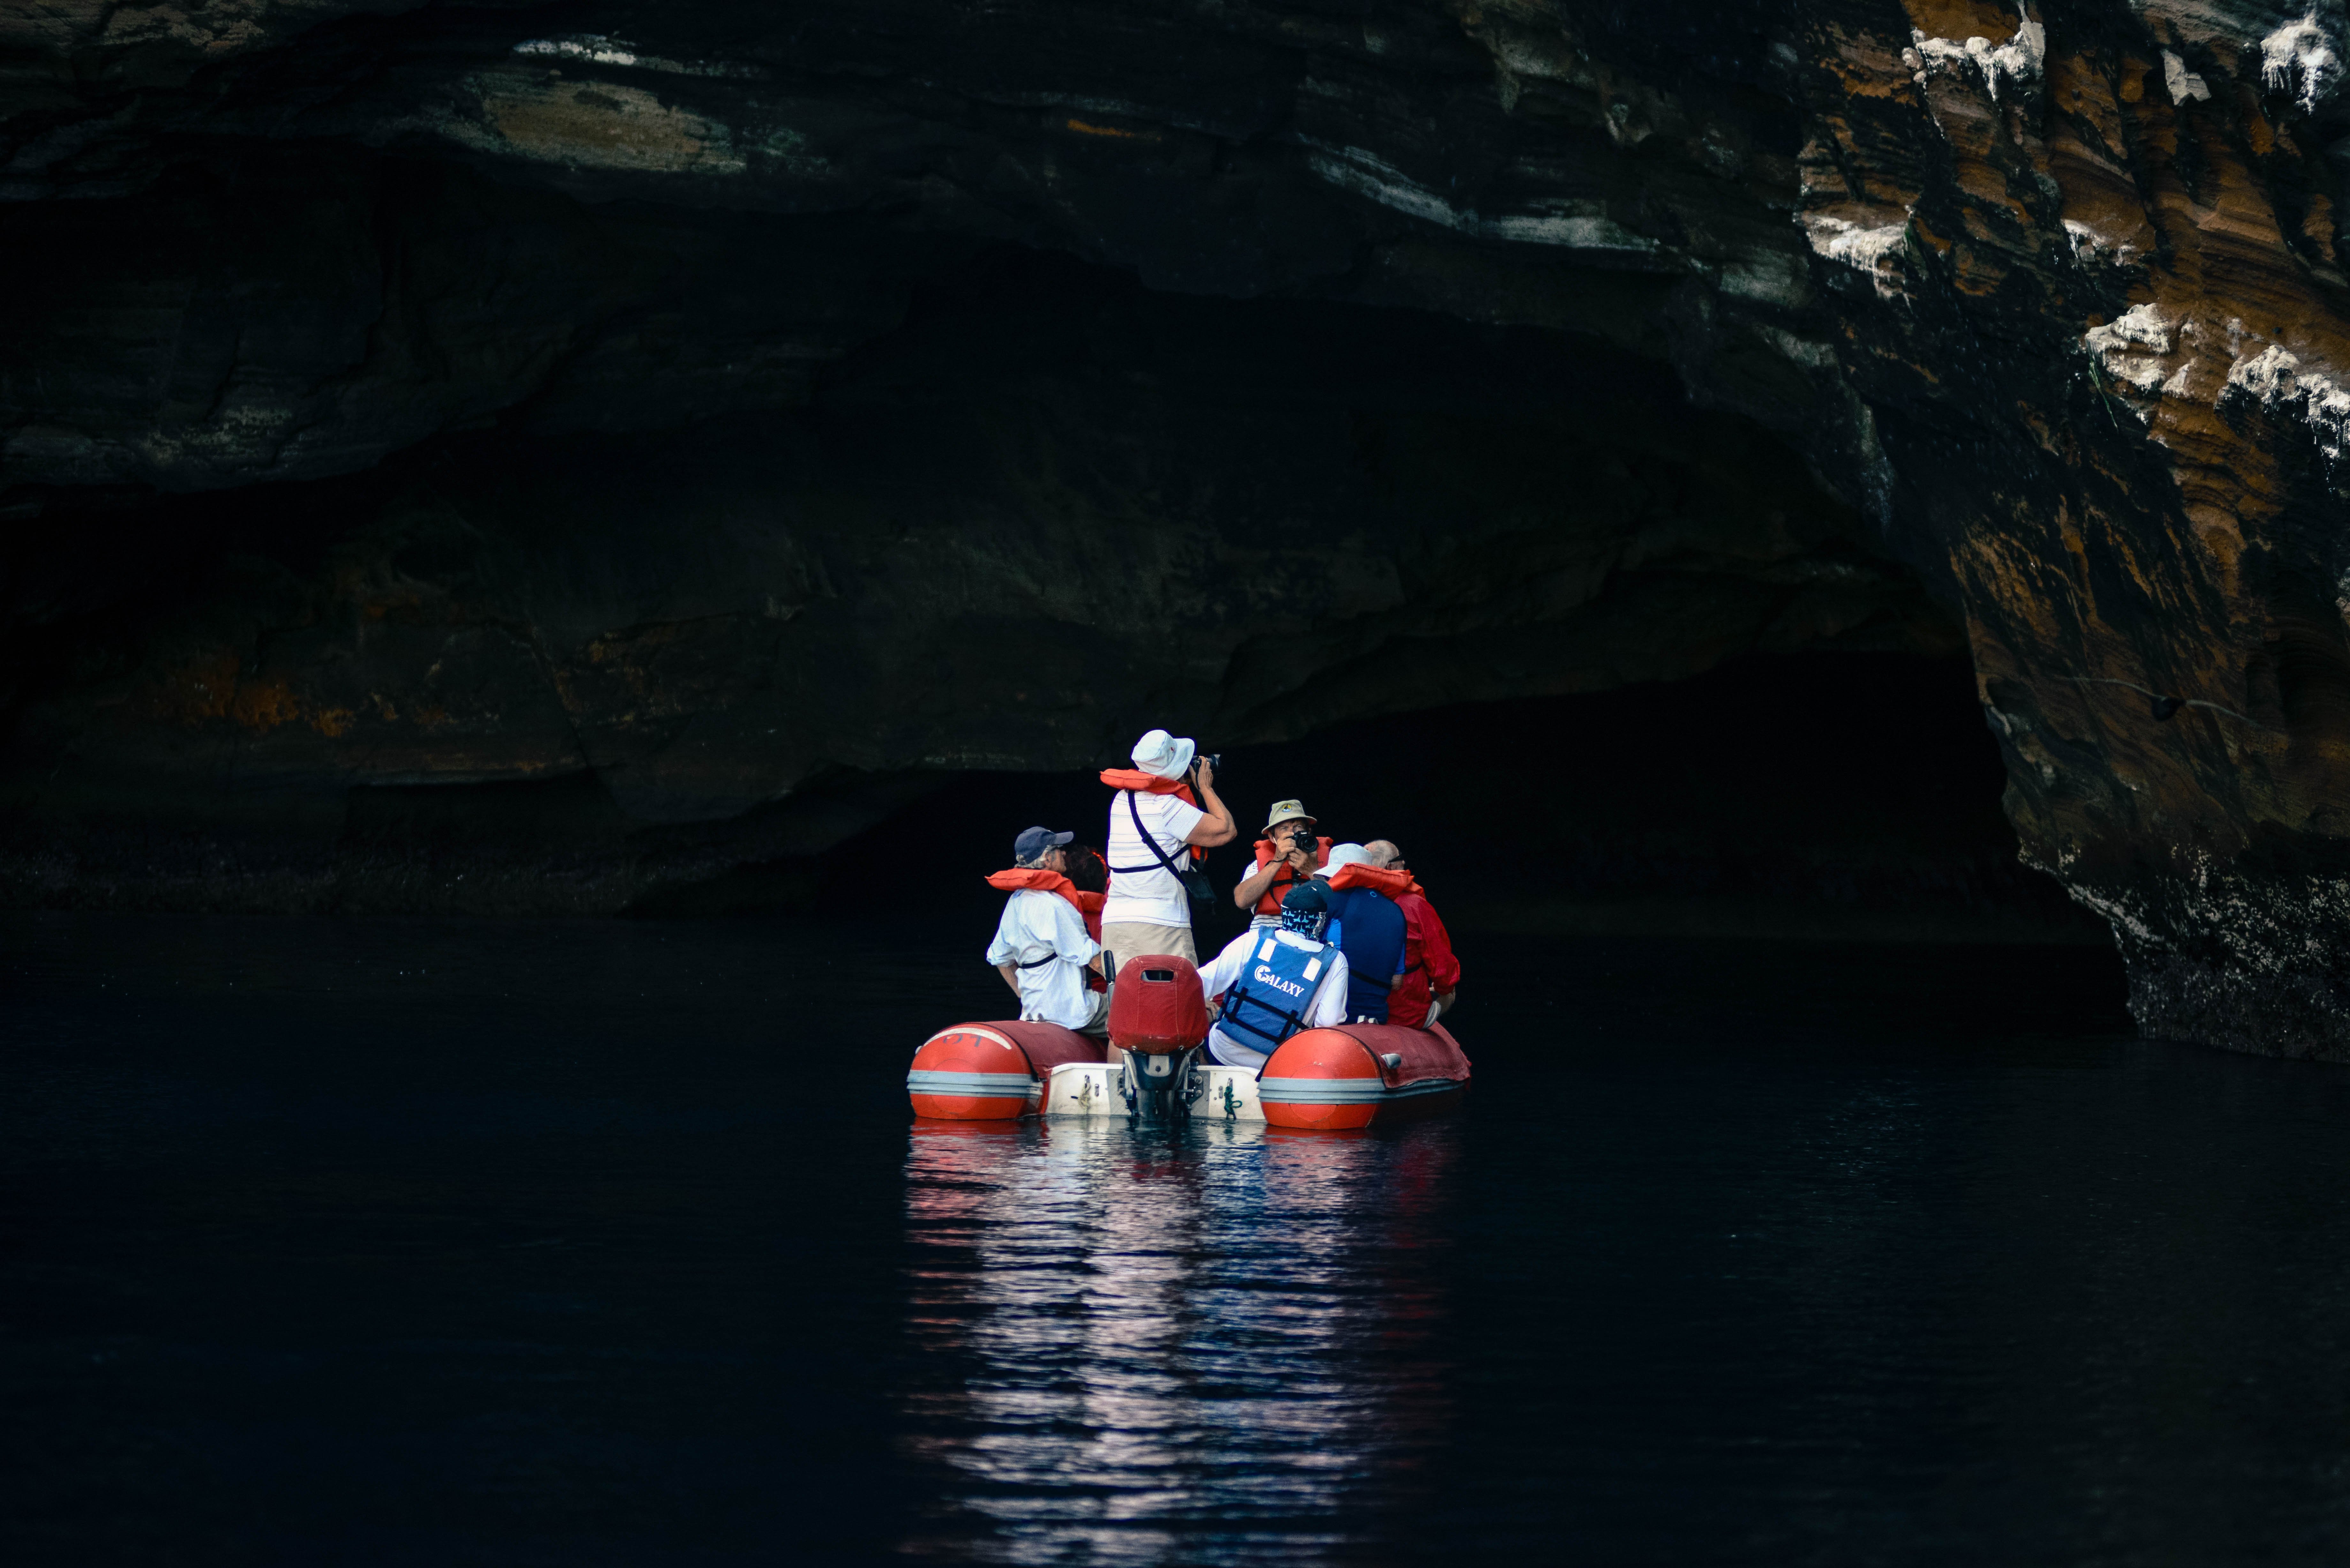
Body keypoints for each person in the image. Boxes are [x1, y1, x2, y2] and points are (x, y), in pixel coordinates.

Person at [1098, 727, 1237, 967]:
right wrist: (1204, 787)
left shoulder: (1121, 799)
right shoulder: (1167, 807)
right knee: (1176, 1001)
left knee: (1126, 1002)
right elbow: (1226, 830)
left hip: (1115, 922)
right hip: (1160, 925)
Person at [1197, 884, 1351, 1070]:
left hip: (1224, 1052)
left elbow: (1202, 983)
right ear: (1320, 920)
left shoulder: (1255, 939)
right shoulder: (1335, 961)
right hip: (1278, 1064)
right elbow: (1328, 1023)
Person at [984, 825, 1111, 1034]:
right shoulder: (1054, 906)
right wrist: (1130, 987)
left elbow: (999, 958)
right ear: (1047, 858)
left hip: (1034, 1012)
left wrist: (1024, 997)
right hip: (1072, 1014)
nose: (1064, 853)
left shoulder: (1014, 903)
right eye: (1059, 849)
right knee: (1133, 1014)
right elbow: (1092, 959)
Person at [1353, 840, 1460, 1029]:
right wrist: (1443, 989)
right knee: (1448, 991)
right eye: (1400, 858)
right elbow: (1443, 969)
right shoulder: (1415, 905)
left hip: (1354, 1008)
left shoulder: (1346, 902)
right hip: (1406, 1014)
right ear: (1390, 866)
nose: (1405, 864)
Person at [1315, 842, 1408, 1024]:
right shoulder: (1397, 911)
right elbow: (1397, 981)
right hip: (1376, 1018)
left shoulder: (1331, 901)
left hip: (1333, 1015)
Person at [1232, 798, 1331, 929]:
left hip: (1314, 942)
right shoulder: (1258, 866)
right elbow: (1241, 901)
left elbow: (1341, 906)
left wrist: (1312, 871)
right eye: (1284, 828)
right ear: (1272, 838)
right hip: (1269, 941)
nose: (1292, 833)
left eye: (1298, 827)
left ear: (1308, 831)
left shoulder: (1329, 862)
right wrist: (1277, 861)